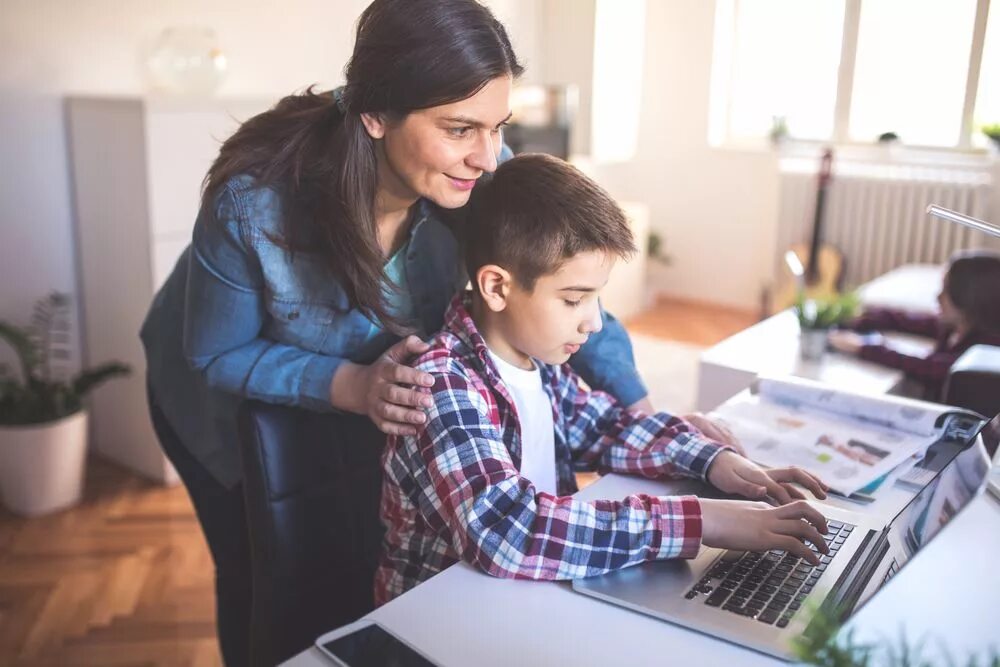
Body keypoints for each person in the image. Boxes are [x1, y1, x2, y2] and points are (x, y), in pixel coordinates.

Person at [139, 1, 666, 663]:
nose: (488, 156)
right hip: (215, 397)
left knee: (350, 552)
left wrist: (639, 408)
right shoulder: (255, 203)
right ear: (376, 114)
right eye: (459, 128)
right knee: (257, 571)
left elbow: (561, 290)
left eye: (499, 126)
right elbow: (216, 352)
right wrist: (351, 383)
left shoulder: (473, 179)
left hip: (362, 394)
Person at [376, 154, 832, 605]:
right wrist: (702, 520)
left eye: (597, 297)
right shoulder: (440, 384)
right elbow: (510, 532)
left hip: (529, 594)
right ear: (497, 288)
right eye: (574, 299)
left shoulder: (539, 364)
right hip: (441, 617)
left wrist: (716, 462)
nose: (594, 323)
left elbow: (606, 426)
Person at [829, 250, 1000, 399]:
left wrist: (863, 347)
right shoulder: (957, 325)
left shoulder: (987, 349)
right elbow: (907, 320)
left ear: (970, 298)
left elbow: (931, 368)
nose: (938, 297)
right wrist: (860, 318)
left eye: (947, 290)